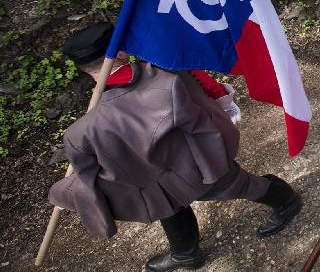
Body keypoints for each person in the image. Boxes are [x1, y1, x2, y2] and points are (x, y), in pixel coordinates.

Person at [49, 24, 301, 272]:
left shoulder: (82, 132)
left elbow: (91, 178)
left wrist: (64, 194)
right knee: (173, 206)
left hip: (171, 175)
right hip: (197, 164)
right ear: (122, 51)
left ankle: (287, 200)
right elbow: (212, 92)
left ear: (82, 69)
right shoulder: (170, 69)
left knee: (229, 188)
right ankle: (185, 254)